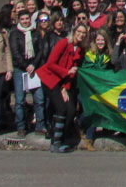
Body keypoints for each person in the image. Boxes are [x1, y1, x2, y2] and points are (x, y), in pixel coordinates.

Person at [38, 23, 89, 153]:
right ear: (74, 31)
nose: (81, 35)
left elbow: (73, 72)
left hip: (63, 82)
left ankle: (59, 136)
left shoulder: (80, 50)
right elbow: (51, 64)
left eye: (84, 33)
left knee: (71, 110)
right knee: (61, 108)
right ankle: (55, 142)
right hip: (50, 79)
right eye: (79, 31)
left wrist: (65, 88)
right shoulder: (63, 43)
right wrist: (66, 72)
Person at [77, 29, 113, 151]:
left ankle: (89, 139)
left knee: (94, 110)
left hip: (99, 90)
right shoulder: (89, 54)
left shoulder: (107, 55)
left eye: (102, 40)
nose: (100, 42)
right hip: (85, 88)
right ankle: (79, 124)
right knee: (89, 109)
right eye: (98, 40)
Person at [10, 10, 42, 138]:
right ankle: (21, 127)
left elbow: (40, 50)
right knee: (20, 100)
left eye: (27, 19)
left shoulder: (36, 33)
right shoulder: (14, 34)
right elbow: (15, 52)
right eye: (22, 19)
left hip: (34, 68)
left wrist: (33, 64)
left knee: (39, 99)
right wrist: (25, 65)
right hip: (20, 69)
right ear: (19, 20)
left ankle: (40, 125)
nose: (25, 21)